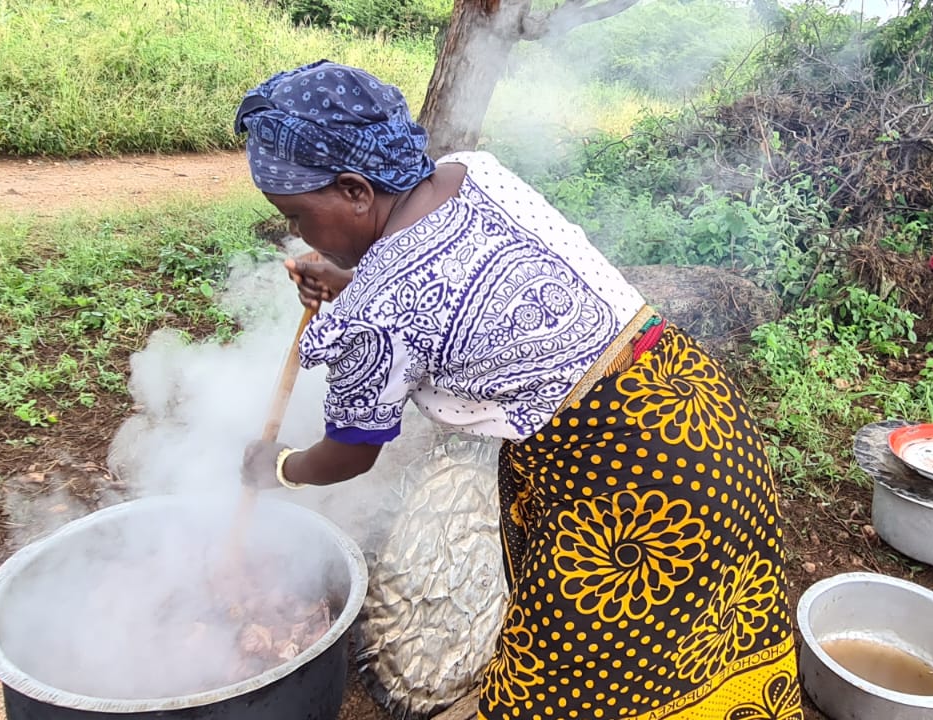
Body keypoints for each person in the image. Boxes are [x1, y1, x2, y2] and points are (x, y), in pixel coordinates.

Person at [236, 60, 801, 720]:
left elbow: (350, 453)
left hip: (630, 491)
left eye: (298, 216)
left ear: (358, 190)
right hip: (696, 410)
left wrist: (277, 467)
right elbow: (440, 276)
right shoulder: (470, 172)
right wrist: (347, 279)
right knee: (694, 636)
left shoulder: (377, 315)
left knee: (556, 685)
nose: (299, 235)